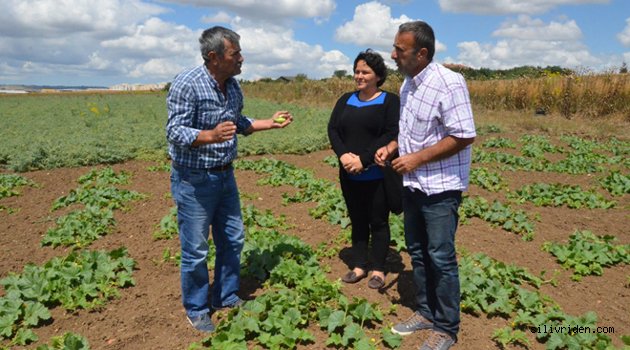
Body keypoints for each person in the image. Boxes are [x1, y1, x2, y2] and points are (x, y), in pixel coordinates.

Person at [166, 26, 293, 333]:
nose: (241, 58)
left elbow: (240, 123)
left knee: (232, 239)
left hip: (225, 177)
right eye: (235, 53)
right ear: (214, 57)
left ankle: (225, 295)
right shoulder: (188, 83)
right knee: (196, 248)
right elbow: (174, 131)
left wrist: (270, 124)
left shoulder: (233, 87)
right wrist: (209, 135)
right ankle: (196, 307)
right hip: (194, 180)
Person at [375, 21, 476, 350]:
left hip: (440, 188)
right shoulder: (408, 85)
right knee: (418, 252)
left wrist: (417, 159)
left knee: (440, 256)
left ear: (421, 53)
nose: (393, 54)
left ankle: (446, 327)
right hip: (413, 185)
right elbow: (410, 131)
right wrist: (392, 148)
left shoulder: (449, 82)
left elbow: (463, 134)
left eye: (399, 50)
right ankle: (426, 311)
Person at [328, 49, 400, 290]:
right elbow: (333, 130)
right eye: (356, 71)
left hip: (376, 173)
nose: (359, 76)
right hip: (349, 173)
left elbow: (391, 133)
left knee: (378, 221)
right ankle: (359, 266)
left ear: (378, 75)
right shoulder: (345, 100)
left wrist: (364, 159)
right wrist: (344, 156)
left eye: (365, 72)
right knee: (357, 219)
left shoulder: (389, 101)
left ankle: (378, 269)